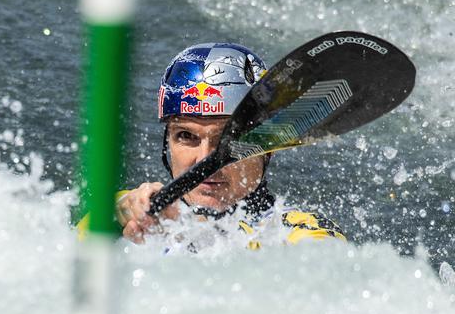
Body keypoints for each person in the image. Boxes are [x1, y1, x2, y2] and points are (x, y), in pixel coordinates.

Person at [78, 43, 345, 249]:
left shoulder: (305, 232)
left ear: (268, 146)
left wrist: (191, 234)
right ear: (167, 145)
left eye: (225, 140)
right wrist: (123, 212)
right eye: (186, 136)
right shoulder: (133, 210)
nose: (204, 160)